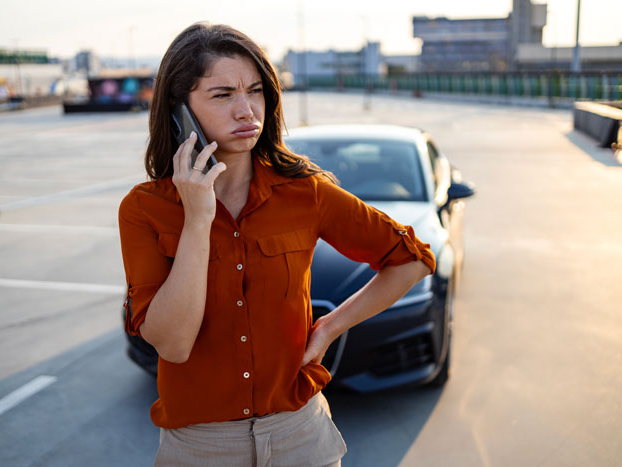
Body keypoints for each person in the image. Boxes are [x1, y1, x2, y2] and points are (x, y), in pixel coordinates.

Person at [118, 22, 436, 467]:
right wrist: (197, 219)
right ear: (179, 110)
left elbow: (413, 259)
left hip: (301, 437)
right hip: (200, 448)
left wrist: (329, 326)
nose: (246, 110)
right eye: (222, 94)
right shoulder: (143, 209)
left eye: (255, 91)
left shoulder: (306, 192)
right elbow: (173, 345)